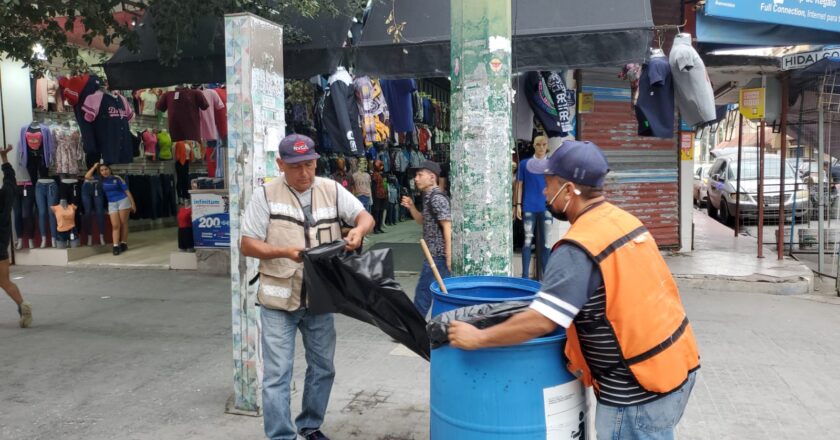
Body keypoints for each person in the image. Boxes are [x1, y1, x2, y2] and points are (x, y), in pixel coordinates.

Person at [448, 141, 700, 440]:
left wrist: (478, 338)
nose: (543, 192)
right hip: (677, 365)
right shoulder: (625, 221)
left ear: (568, 190)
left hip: (635, 392)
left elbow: (542, 320)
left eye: (548, 184)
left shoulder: (578, 248)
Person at [240, 134, 374, 440]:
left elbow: (364, 216)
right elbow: (247, 244)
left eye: (310, 164)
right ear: (280, 164)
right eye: (296, 166)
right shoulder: (265, 195)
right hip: (278, 301)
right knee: (277, 375)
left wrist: (358, 231)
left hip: (320, 297)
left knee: (323, 367)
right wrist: (283, 252)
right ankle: (281, 436)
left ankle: (310, 425)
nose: (304, 173)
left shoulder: (331, 189)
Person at [400, 160, 451, 318]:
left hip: (438, 256)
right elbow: (422, 220)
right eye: (416, 175)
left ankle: (415, 329)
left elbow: (447, 227)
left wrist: (448, 256)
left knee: (424, 293)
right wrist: (412, 207)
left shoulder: (436, 198)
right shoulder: (428, 197)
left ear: (431, 177)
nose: (416, 178)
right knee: (432, 292)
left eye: (420, 175)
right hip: (434, 255)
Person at [0, 145, 32, 328]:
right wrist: (4, 159)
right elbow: (10, 180)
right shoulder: (6, 197)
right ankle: (22, 304)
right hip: (1, 247)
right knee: (4, 281)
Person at [515, 135, 553, 279]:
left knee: (546, 244)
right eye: (538, 144)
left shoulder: (552, 164)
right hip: (529, 206)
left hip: (547, 207)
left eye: (544, 144)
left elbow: (556, 185)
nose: (541, 147)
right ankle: (525, 277)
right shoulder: (525, 164)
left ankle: (546, 279)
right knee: (527, 241)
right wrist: (517, 204)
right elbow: (519, 184)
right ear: (533, 145)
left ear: (547, 145)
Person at [85, 162, 136, 256]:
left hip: (123, 201)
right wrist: (94, 167)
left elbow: (127, 191)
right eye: (102, 170)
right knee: (115, 225)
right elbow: (87, 176)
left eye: (106, 169)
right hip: (112, 204)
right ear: (100, 172)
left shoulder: (117, 178)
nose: (104, 172)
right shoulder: (100, 179)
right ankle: (115, 246)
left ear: (110, 170)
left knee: (123, 223)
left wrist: (133, 204)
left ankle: (124, 243)